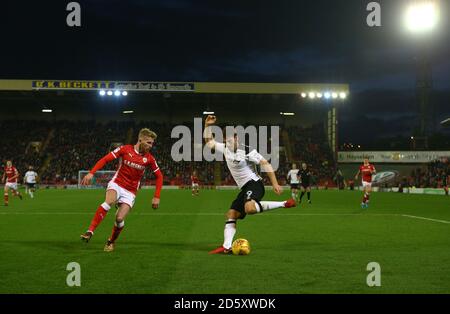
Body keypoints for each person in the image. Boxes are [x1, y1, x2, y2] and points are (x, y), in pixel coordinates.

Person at [203, 115, 296, 254]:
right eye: (230, 137)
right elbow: (209, 142)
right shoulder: (224, 148)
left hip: (255, 184)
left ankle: (284, 203)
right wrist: (207, 125)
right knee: (231, 213)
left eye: (235, 136)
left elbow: (266, 163)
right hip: (245, 188)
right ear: (225, 139)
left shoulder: (247, 150)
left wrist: (275, 184)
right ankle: (226, 246)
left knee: (249, 208)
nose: (234, 139)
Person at [80, 128, 163, 252]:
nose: (151, 146)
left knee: (119, 219)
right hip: (117, 183)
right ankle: (90, 231)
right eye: (149, 143)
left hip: (130, 191)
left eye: (152, 143)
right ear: (140, 140)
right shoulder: (125, 149)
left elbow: (159, 176)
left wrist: (157, 196)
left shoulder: (149, 159)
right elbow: (105, 159)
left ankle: (111, 241)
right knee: (108, 202)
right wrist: (91, 173)